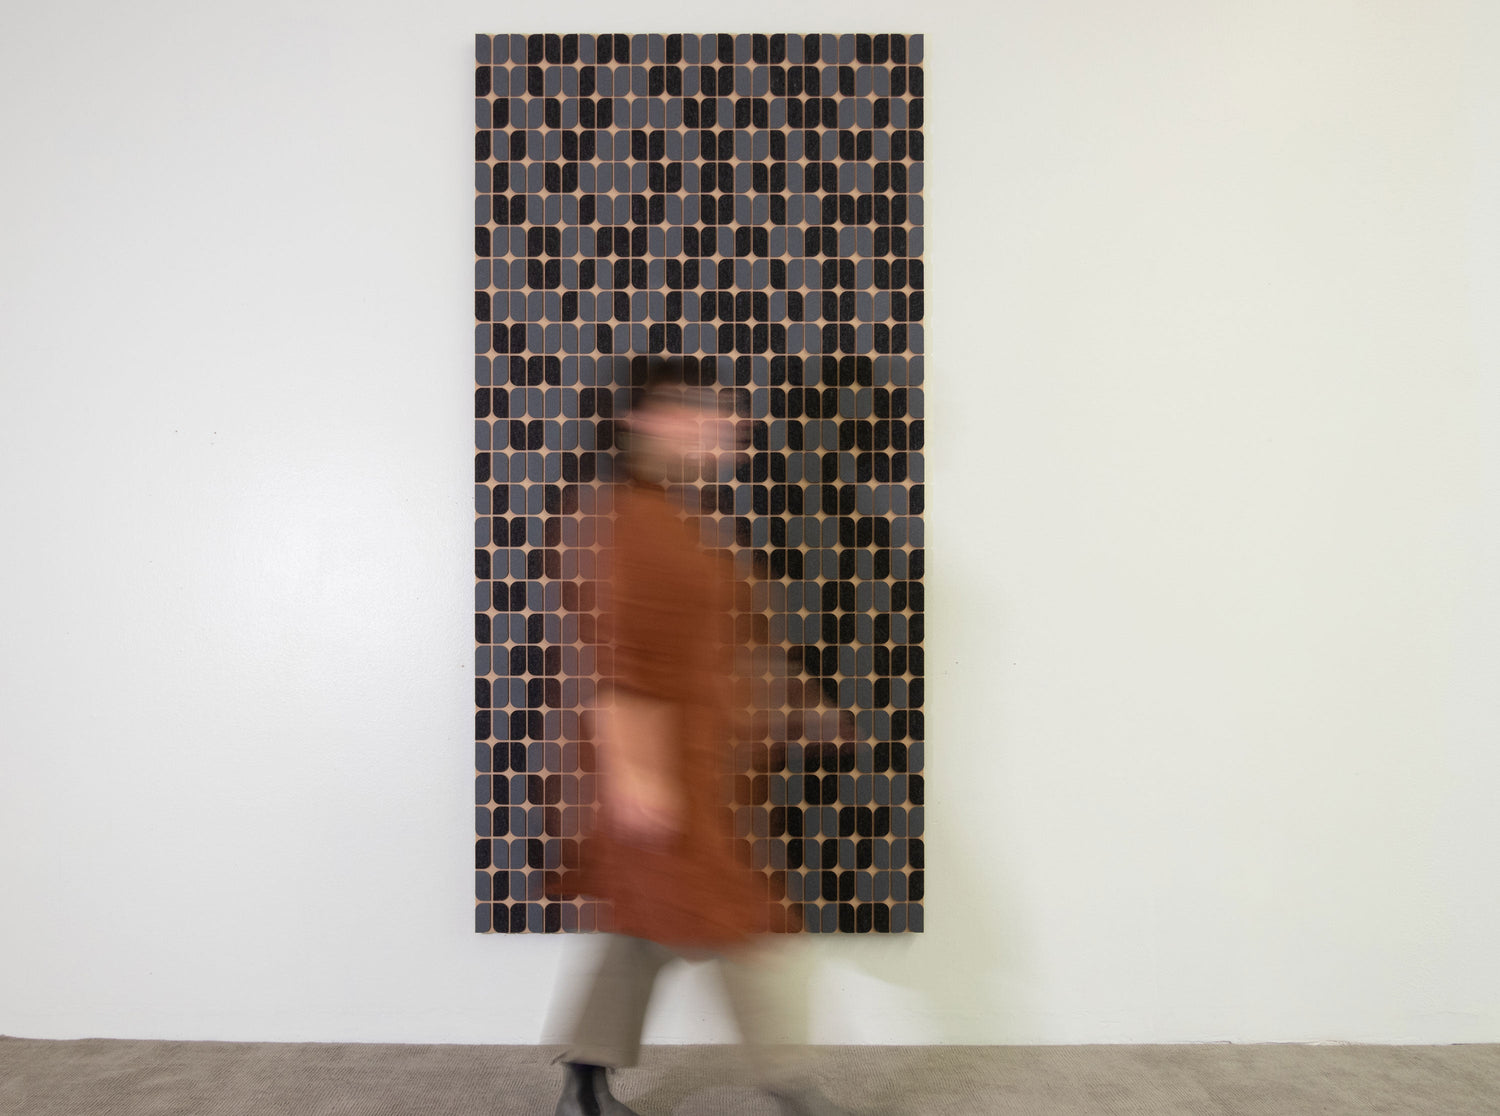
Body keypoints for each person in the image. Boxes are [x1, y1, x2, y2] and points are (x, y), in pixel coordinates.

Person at [549, 356, 849, 1116]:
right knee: (737, 922)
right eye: (702, 410)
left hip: (705, 763)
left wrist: (798, 705)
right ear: (644, 420)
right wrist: (637, 775)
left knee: (645, 927)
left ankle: (585, 1079)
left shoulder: (677, 515)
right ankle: (793, 1088)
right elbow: (614, 660)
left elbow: (721, 645)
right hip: (659, 766)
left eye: (722, 410)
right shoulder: (624, 519)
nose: (724, 423)